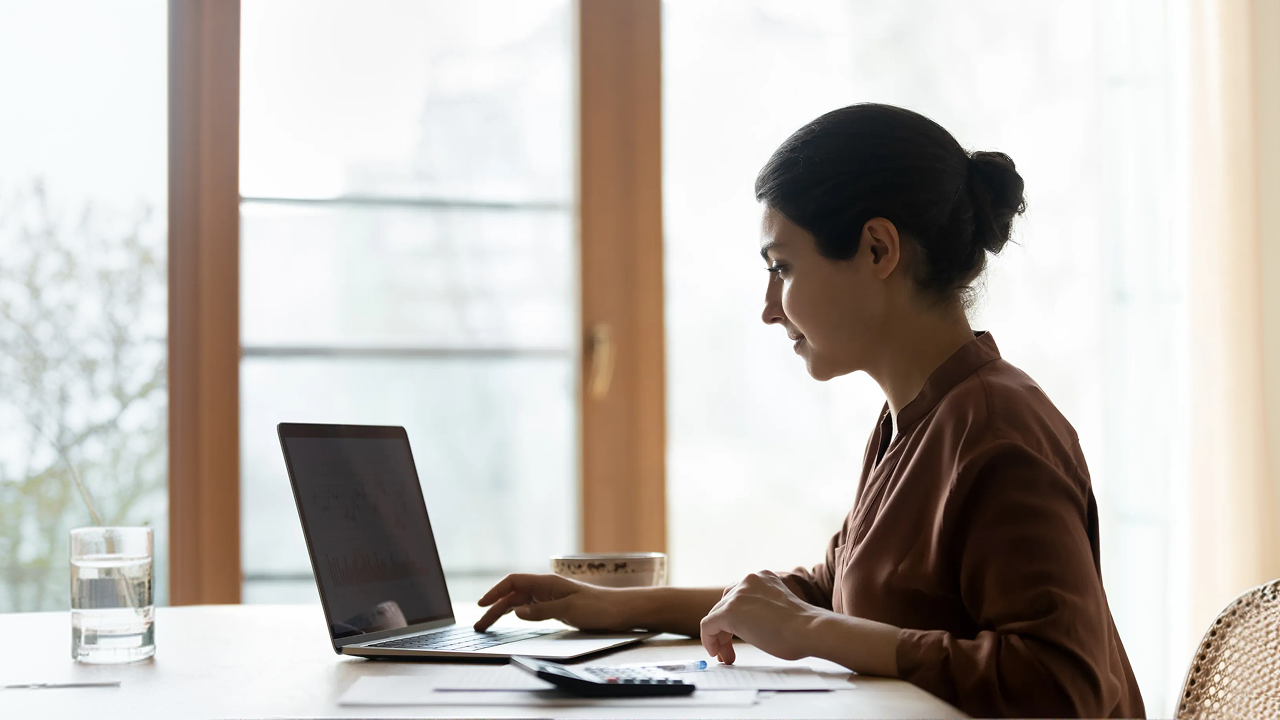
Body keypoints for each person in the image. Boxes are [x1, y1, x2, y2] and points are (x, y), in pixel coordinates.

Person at [472, 103, 1145, 719]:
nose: (770, 307)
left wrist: (815, 633)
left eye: (783, 267)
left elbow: (1064, 686)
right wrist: (610, 608)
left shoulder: (998, 432)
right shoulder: (912, 420)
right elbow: (826, 594)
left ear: (878, 249)